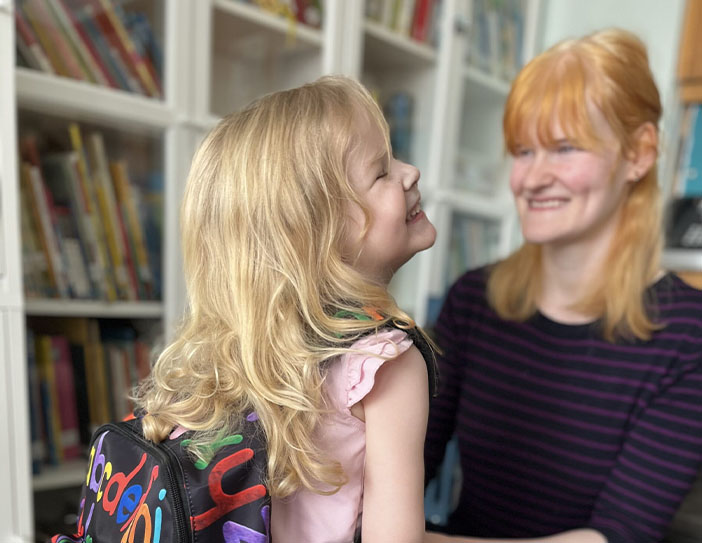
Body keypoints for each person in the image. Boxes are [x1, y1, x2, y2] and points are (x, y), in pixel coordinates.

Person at [424, 28, 702, 543]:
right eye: (523, 150)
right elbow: (402, 470)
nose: (531, 178)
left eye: (565, 148)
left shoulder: (689, 334)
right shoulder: (473, 301)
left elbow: (617, 536)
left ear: (639, 154)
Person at [134, 75, 437, 543]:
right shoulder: (385, 363)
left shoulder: (232, 356)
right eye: (381, 172)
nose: (410, 171)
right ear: (314, 236)